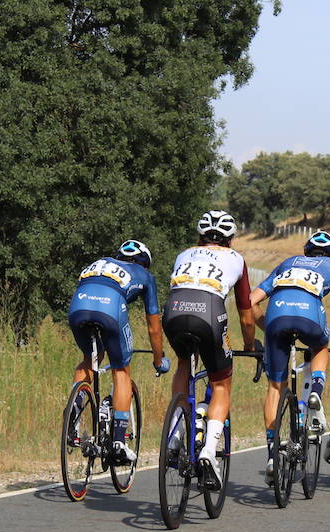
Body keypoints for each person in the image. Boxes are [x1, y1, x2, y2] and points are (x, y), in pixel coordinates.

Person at [164, 210, 257, 490]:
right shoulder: (237, 259)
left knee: (184, 364)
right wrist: (249, 345)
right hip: (210, 312)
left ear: (200, 236)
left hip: (175, 310)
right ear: (230, 239)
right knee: (220, 383)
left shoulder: (184, 254)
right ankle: (208, 451)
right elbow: (245, 313)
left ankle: (176, 431)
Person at [250, 230, 330, 478]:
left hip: (276, 316)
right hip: (309, 317)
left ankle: (273, 455)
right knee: (320, 346)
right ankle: (315, 393)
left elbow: (251, 301)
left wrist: (271, 330)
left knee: (275, 387)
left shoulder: (286, 263)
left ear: (306, 250)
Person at [66, 240, 169, 464]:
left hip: (78, 306)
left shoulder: (101, 262)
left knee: (90, 359)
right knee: (121, 369)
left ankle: (72, 414)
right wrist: (159, 359)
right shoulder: (145, 275)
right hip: (110, 307)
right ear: (145, 263)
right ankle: (119, 441)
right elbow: (153, 326)